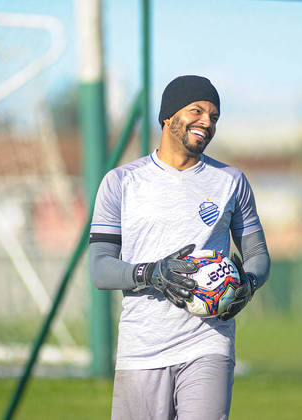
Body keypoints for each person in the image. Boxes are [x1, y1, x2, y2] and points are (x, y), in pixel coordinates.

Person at [89, 75, 271, 419]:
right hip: (142, 347)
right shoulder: (121, 182)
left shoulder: (231, 181)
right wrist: (153, 273)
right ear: (168, 116)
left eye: (214, 116)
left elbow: (259, 256)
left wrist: (247, 285)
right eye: (197, 110)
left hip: (208, 341)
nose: (207, 121)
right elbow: (100, 268)